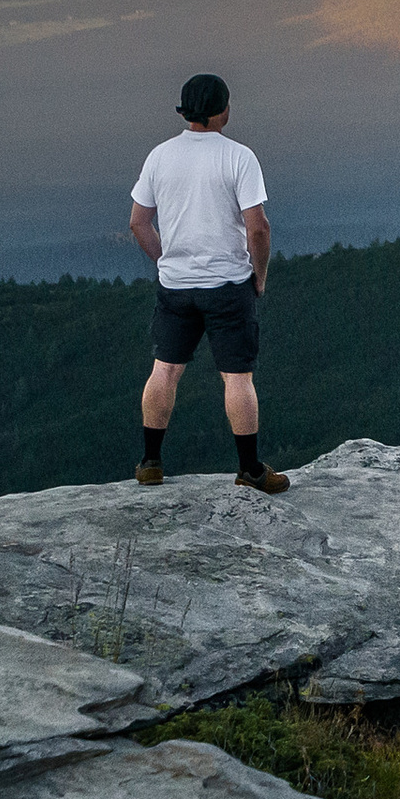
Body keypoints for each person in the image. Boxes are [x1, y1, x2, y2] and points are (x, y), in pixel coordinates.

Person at [129, 72, 287, 493]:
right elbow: (258, 229)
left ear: (185, 112)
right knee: (237, 378)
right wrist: (259, 275)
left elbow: (138, 223)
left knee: (164, 370)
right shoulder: (239, 157)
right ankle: (250, 469)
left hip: (176, 287)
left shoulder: (160, 156)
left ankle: (150, 462)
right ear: (223, 112)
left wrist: (166, 261)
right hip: (227, 285)